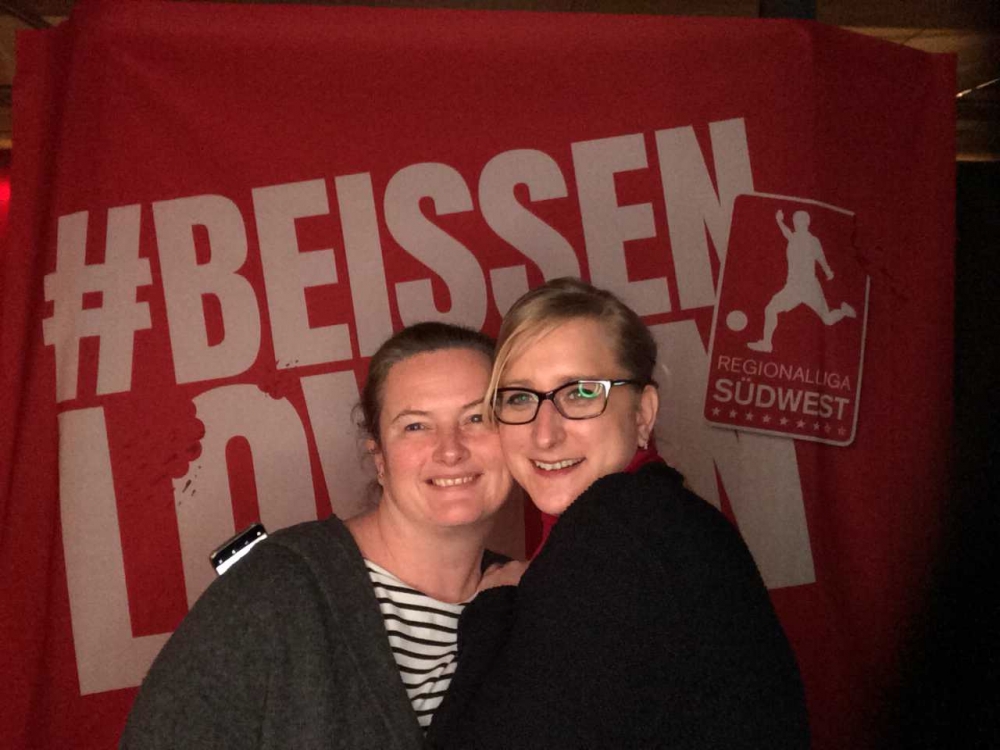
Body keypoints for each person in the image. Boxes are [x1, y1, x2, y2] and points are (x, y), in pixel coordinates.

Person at [426, 278, 810, 749]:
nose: (545, 435)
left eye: (582, 393)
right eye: (520, 398)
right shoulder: (654, 519)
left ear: (643, 413)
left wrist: (492, 610)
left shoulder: (619, 531)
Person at [121, 322, 513, 750]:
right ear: (379, 457)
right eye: (416, 426)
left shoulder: (530, 600)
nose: (451, 449)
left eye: (477, 418)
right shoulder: (276, 588)